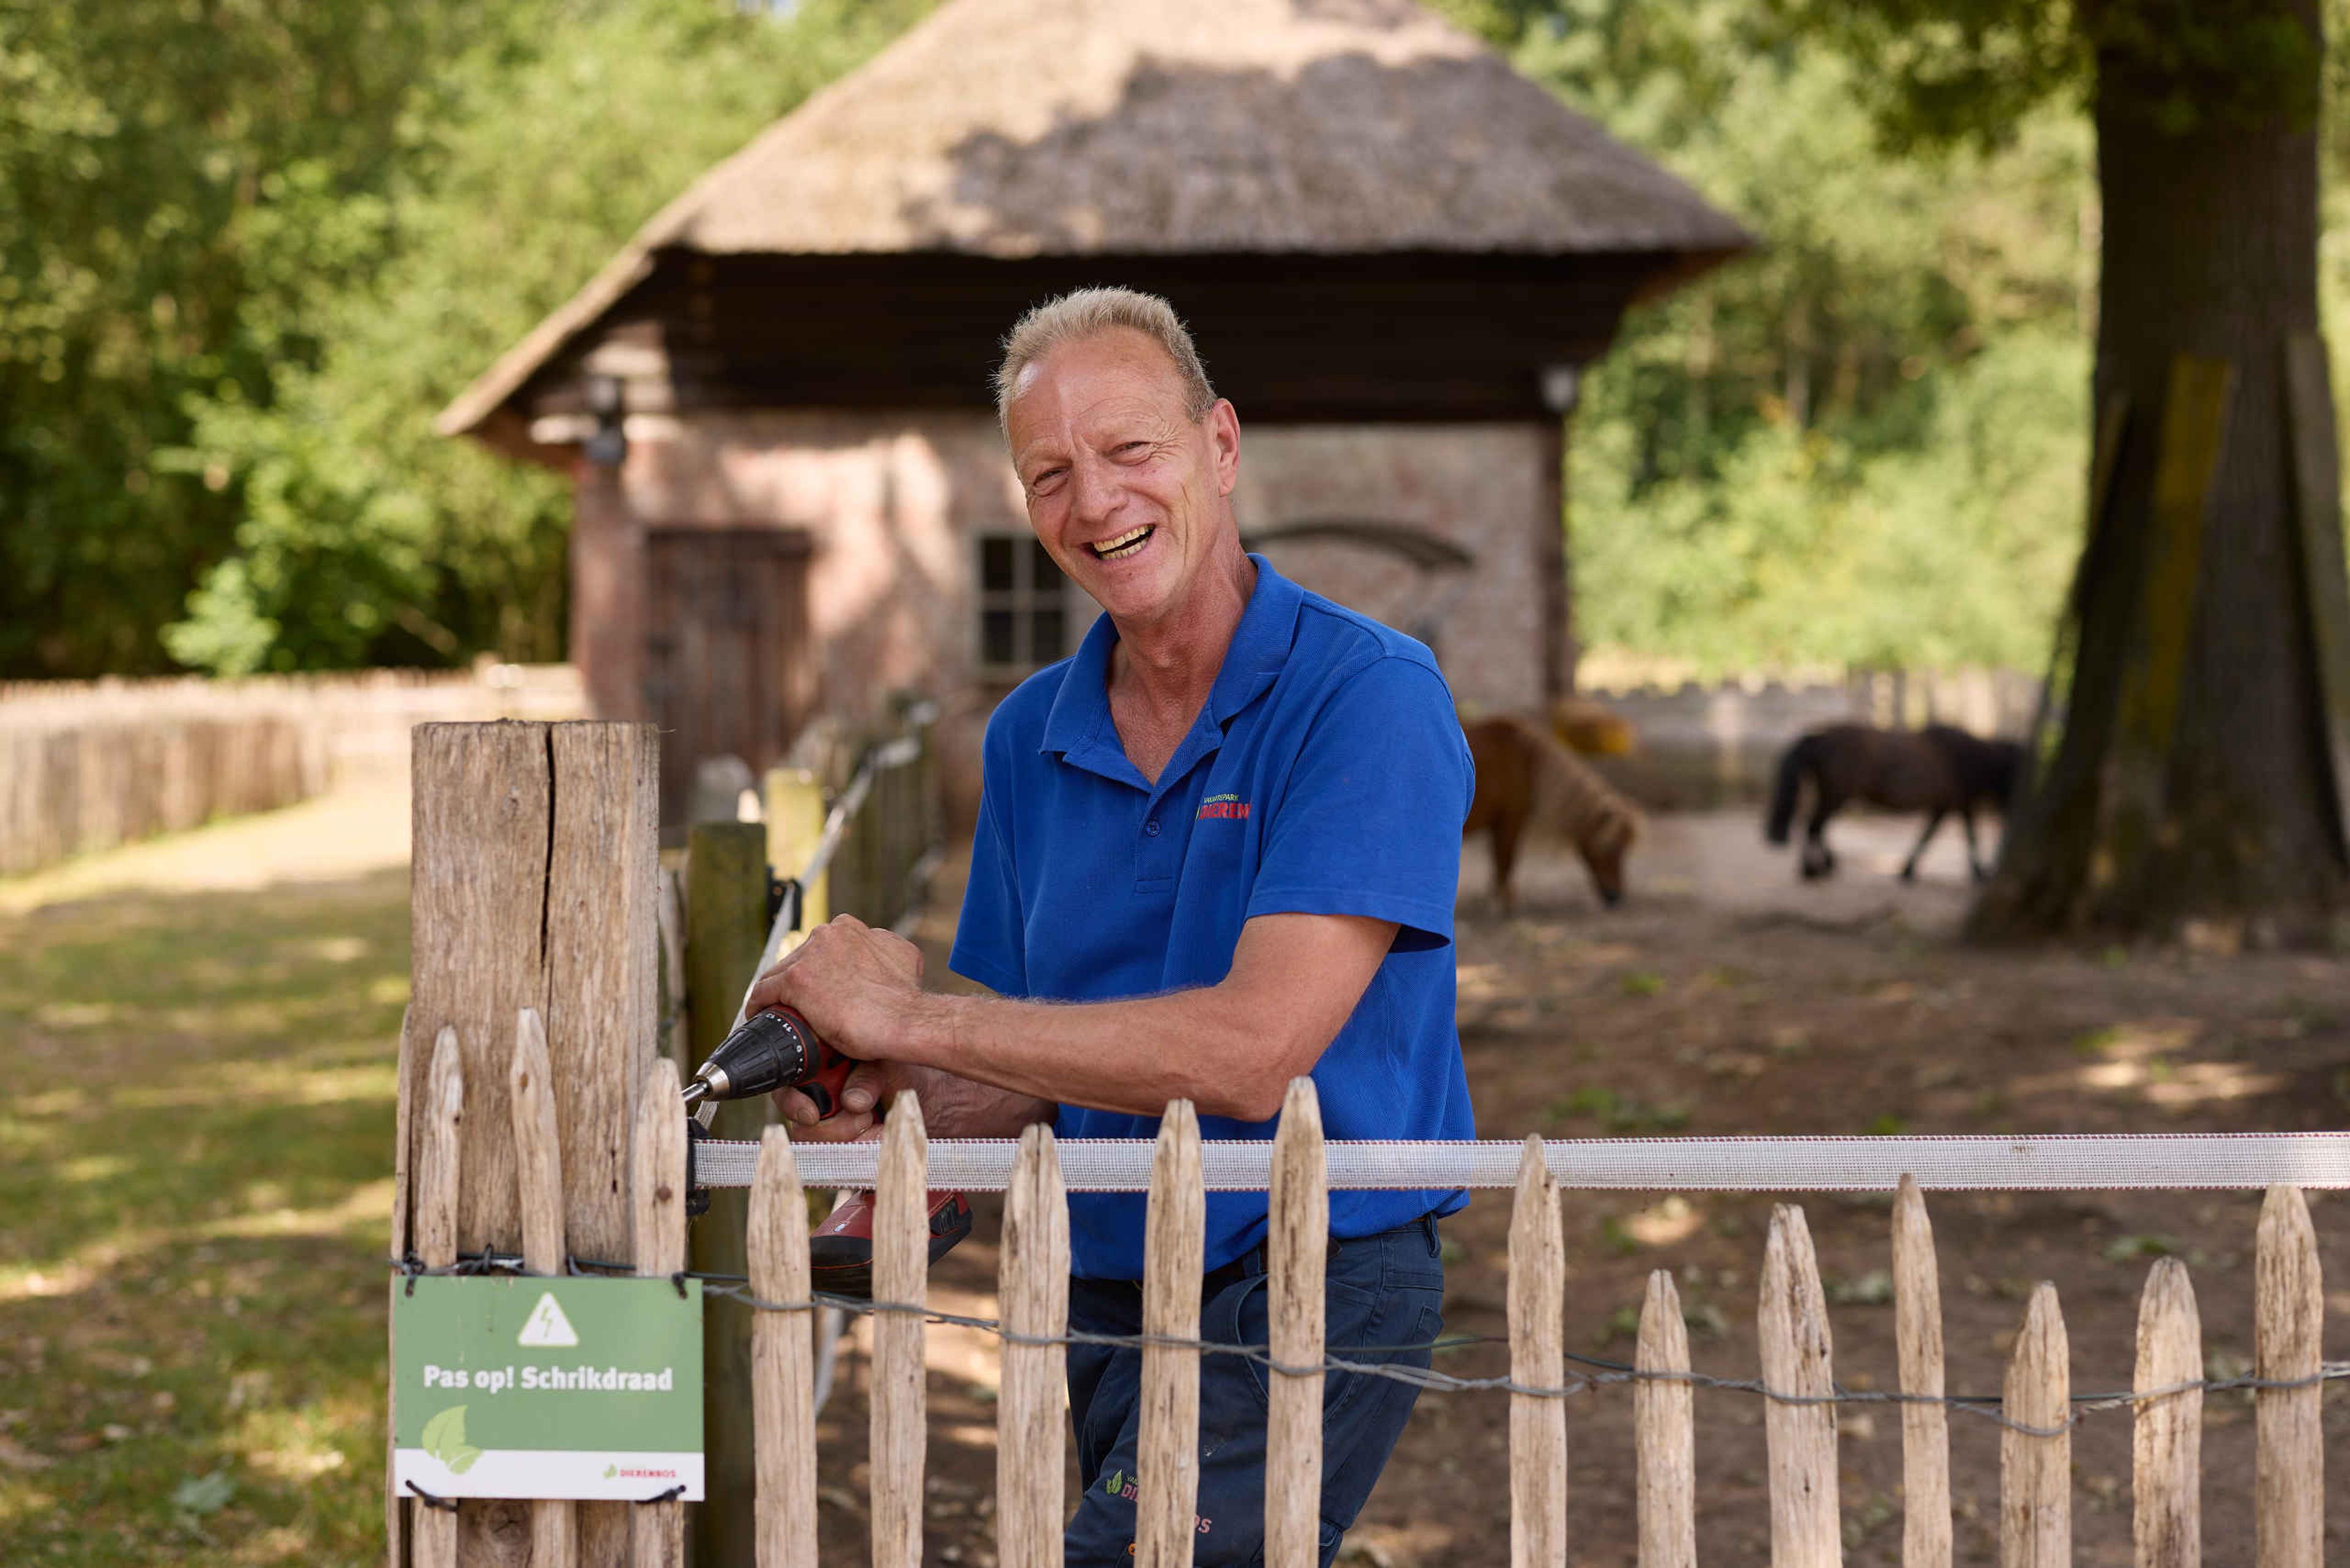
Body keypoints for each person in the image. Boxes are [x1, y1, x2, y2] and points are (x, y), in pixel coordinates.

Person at [745, 286, 1474, 1566]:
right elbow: (1025, 1076)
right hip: (1107, 1278)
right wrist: (890, 1096)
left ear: (1221, 446)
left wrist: (908, 1017)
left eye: (1131, 452)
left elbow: (1255, 1050)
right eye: (1050, 475)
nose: (1095, 503)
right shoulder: (1029, 733)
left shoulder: (1370, 698)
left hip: (1311, 1264)